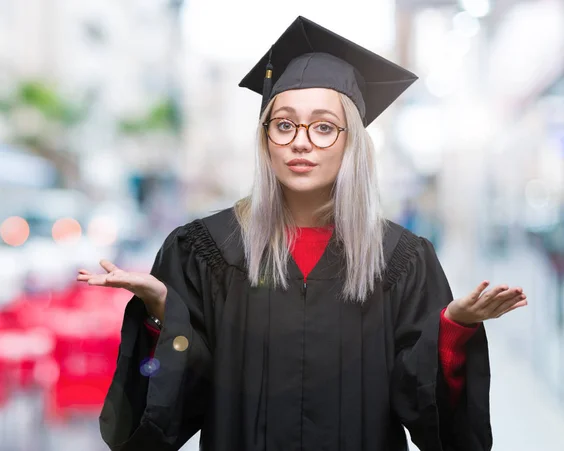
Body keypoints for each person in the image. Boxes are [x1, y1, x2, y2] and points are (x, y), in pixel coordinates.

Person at [77, 16, 527, 451]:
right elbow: (172, 409)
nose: (301, 140)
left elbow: (427, 411)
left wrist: (452, 329)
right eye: (285, 124)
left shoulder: (401, 260)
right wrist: (162, 315)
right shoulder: (204, 250)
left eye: (325, 127)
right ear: (266, 138)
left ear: (352, 143)